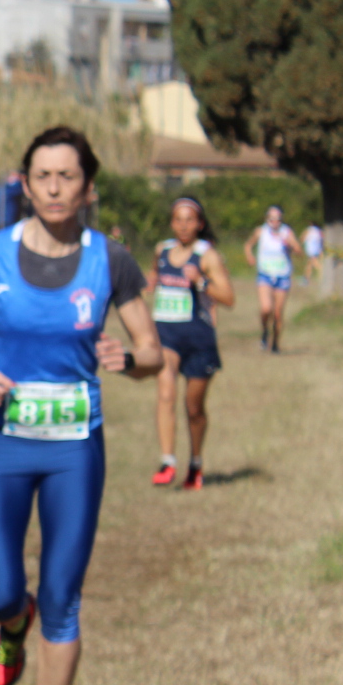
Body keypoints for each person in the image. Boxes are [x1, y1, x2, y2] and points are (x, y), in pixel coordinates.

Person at [0, 126, 161, 685]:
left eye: (68, 176)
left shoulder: (110, 260)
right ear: (26, 184)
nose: (55, 187)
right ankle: (13, 625)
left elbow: (152, 350)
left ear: (88, 187)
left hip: (74, 449)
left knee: (64, 593)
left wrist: (130, 361)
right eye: (43, 176)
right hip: (1, 441)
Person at [146, 195, 235, 490]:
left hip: (198, 339)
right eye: (178, 220)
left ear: (199, 224)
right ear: (172, 223)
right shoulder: (162, 250)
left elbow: (229, 298)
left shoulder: (207, 255)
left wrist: (201, 282)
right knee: (166, 392)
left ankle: (195, 462)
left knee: (193, 408)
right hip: (166, 336)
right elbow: (153, 277)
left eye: (189, 220)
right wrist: (147, 283)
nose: (183, 226)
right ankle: (167, 461)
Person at [243, 204, 300, 352]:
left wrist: (291, 245)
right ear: (266, 219)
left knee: (278, 313)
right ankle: (264, 331)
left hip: (282, 276)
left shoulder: (286, 232)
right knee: (266, 308)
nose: (275, 222)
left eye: (278, 219)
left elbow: (299, 250)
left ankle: (275, 343)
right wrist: (250, 256)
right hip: (265, 275)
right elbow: (248, 245)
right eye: (271, 219)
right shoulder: (260, 231)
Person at [301, 219, 324, 286]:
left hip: (310, 249)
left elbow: (302, 238)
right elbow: (322, 239)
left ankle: (323, 275)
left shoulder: (308, 230)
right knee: (309, 264)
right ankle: (306, 278)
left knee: (315, 263)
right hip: (317, 249)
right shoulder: (319, 231)